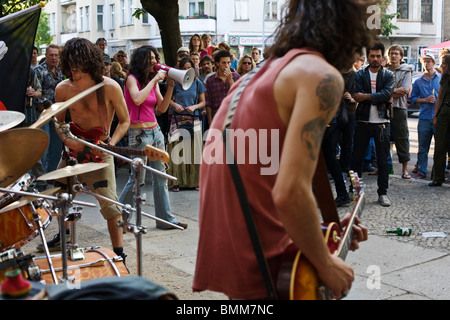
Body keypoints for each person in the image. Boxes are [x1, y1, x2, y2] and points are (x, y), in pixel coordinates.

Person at [193, 0, 371, 300]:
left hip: (236, 250)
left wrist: (317, 232)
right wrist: (326, 262)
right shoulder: (321, 76)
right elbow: (289, 192)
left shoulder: (256, 76)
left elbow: (262, 177)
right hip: (268, 262)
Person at [38, 38, 130, 261]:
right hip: (72, 152)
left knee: (111, 207)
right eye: (69, 64)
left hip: (100, 152)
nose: (73, 69)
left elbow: (125, 121)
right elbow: (58, 122)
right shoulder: (63, 88)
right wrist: (68, 141)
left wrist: (110, 145)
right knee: (62, 198)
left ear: (90, 61)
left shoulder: (109, 86)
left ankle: (119, 254)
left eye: (77, 64)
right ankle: (65, 237)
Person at [118, 45, 187, 230]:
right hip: (139, 134)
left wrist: (170, 85)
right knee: (137, 179)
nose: (155, 61)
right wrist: (155, 79)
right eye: (151, 58)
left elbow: (162, 108)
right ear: (141, 60)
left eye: (156, 57)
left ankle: (165, 219)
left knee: (161, 176)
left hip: (155, 131)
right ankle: (121, 218)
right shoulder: (131, 79)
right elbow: (137, 99)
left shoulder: (153, 81)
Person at [351, 41, 394, 207]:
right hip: (363, 121)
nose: (375, 59)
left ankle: (382, 193)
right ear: (367, 56)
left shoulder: (388, 75)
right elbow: (356, 95)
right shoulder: (360, 74)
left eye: (378, 56)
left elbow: (387, 94)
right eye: (372, 56)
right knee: (357, 159)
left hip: (382, 123)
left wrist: (367, 96)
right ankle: (354, 190)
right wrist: (378, 96)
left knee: (383, 161)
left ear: (382, 56)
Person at [167, 57, 206, 192]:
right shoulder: (175, 83)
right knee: (177, 150)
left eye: (188, 68)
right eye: (183, 68)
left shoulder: (198, 83)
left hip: (193, 117)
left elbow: (203, 102)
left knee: (194, 150)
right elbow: (168, 100)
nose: (185, 70)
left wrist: (194, 107)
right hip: (177, 118)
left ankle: (195, 181)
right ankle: (176, 182)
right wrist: (175, 104)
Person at [34, 44, 65, 173]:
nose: (54, 58)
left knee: (56, 147)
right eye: (51, 55)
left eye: (56, 55)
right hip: (43, 113)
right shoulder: (38, 70)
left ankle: (52, 175)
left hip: (57, 113)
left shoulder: (60, 72)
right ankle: (40, 178)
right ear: (46, 56)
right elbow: (36, 92)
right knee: (44, 147)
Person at [409, 54, 441, 179]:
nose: (426, 64)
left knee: (439, 148)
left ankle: (439, 172)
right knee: (423, 147)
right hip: (424, 117)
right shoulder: (418, 81)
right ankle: (422, 171)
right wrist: (425, 99)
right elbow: (412, 99)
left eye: (429, 61)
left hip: (438, 118)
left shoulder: (440, 78)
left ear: (433, 63)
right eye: (424, 62)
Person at [387, 45, 413, 179]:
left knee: (402, 139)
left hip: (399, 108)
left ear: (401, 56)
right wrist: (390, 93)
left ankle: (404, 170)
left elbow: (404, 91)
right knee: (383, 139)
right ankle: (382, 167)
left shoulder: (406, 70)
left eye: (396, 53)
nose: (393, 56)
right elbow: (378, 89)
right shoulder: (383, 70)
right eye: (391, 53)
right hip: (385, 108)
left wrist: (386, 94)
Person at [429, 54, 450, 186]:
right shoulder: (445, 78)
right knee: (439, 147)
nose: (441, 66)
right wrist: (435, 116)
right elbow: (440, 97)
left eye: (444, 63)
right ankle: (438, 178)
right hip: (444, 114)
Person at [204, 50, 240, 125]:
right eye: (224, 63)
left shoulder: (236, 77)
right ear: (217, 63)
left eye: (228, 62)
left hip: (233, 118)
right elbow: (208, 103)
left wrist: (230, 80)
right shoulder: (210, 80)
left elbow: (239, 97)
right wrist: (210, 121)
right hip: (217, 118)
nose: (227, 65)